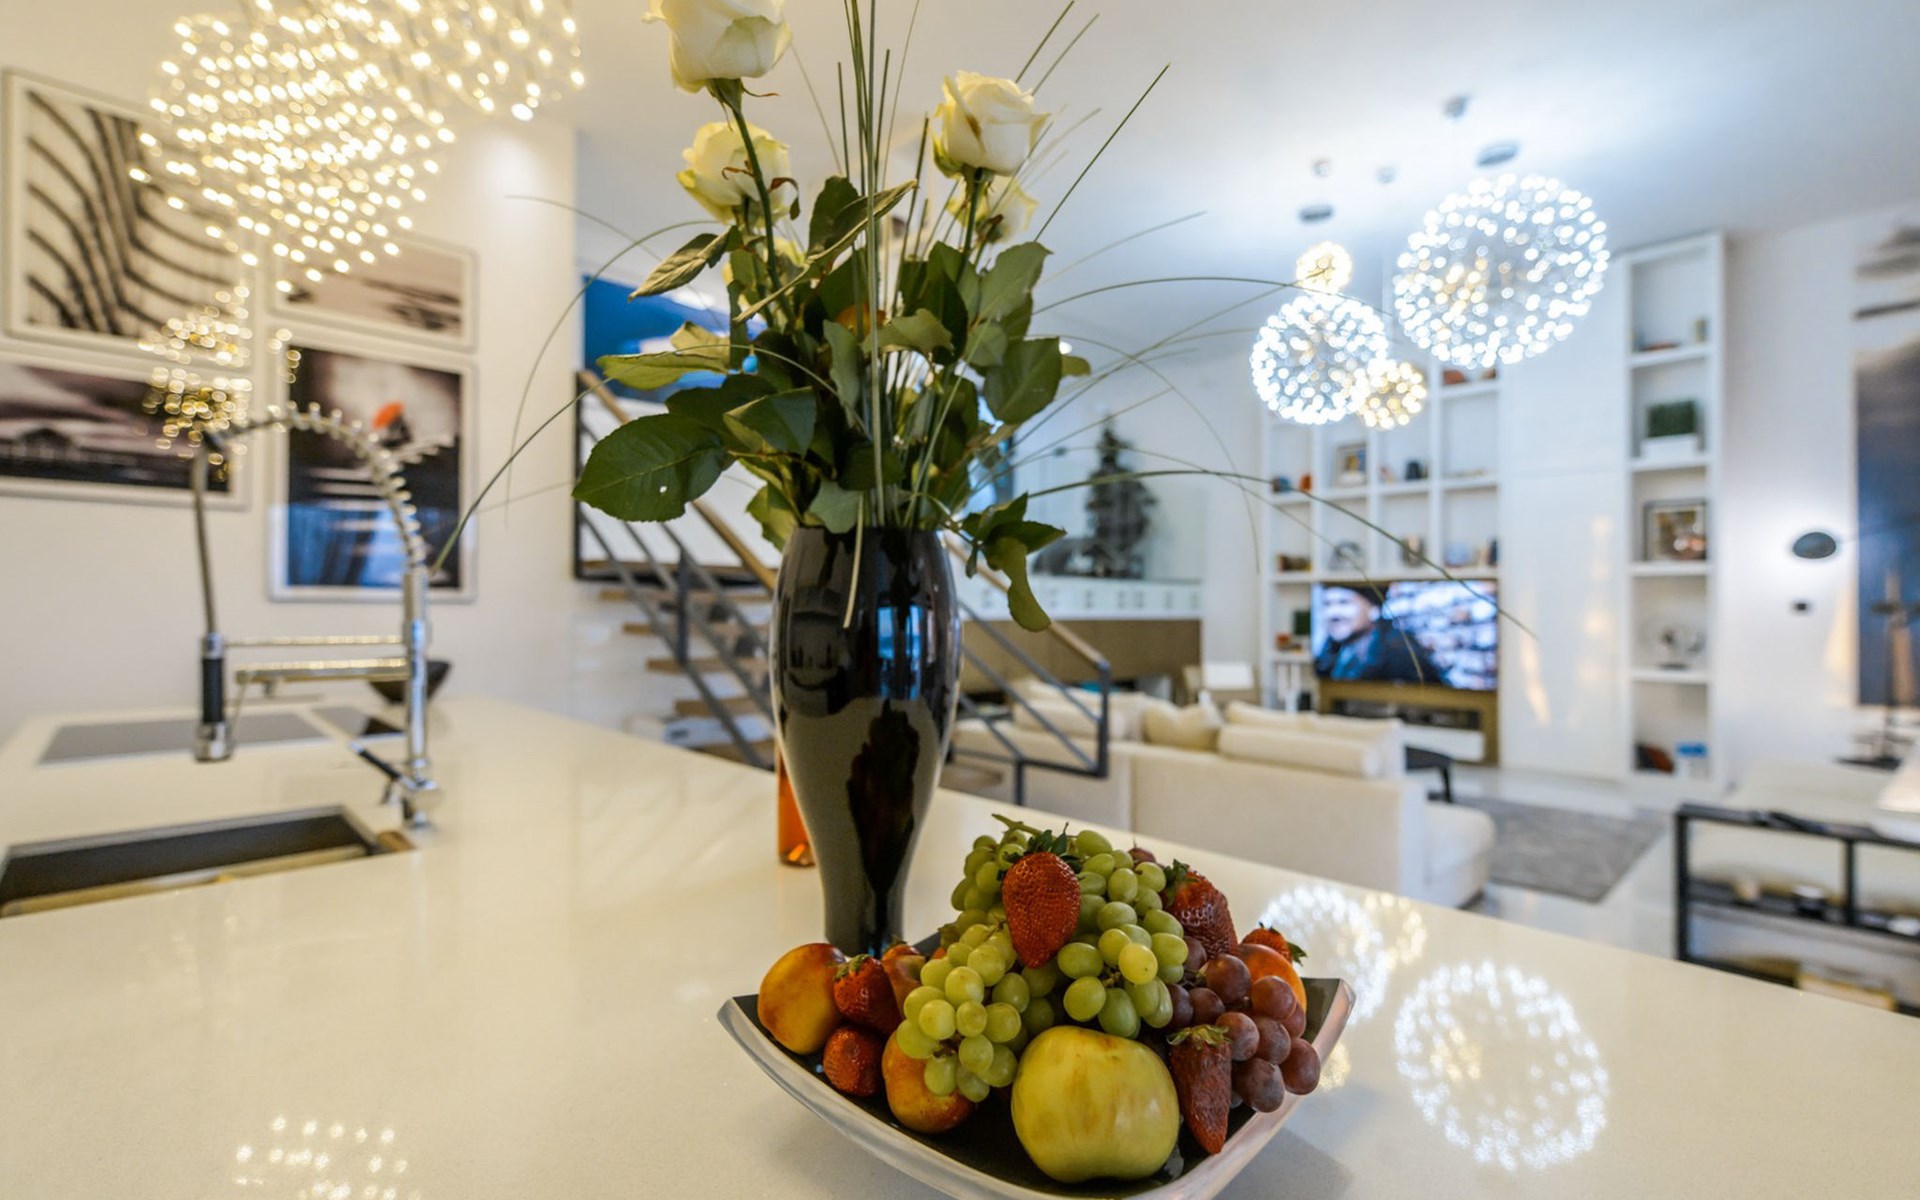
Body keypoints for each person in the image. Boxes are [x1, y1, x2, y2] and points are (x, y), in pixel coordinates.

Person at [1314, 585, 1444, 685]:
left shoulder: (1402, 655)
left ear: (1374, 609)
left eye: (1344, 602)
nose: (1333, 613)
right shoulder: (1330, 651)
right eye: (1327, 604)